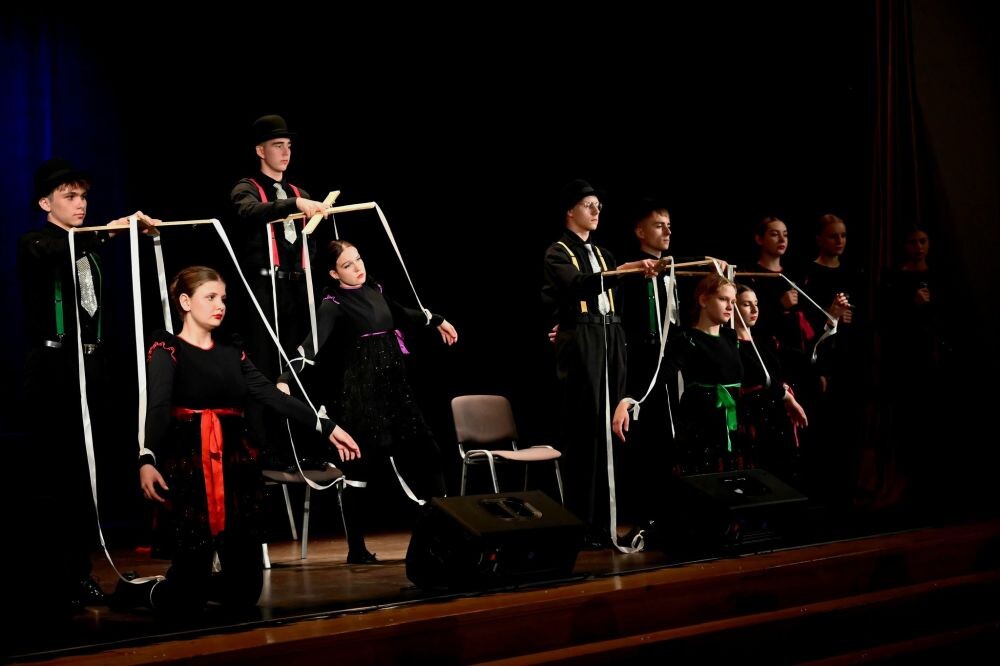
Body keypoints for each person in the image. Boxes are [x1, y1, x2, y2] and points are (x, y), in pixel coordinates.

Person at [115, 266, 359, 613]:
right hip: (191, 469)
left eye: (223, 298)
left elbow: (272, 395)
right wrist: (147, 457)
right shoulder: (168, 348)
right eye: (210, 297)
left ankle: (197, 584)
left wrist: (327, 427)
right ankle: (140, 591)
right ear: (185, 302)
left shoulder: (232, 351)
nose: (220, 305)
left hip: (234, 469)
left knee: (244, 593)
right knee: (185, 601)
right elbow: (158, 407)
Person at [15, 158, 158, 614]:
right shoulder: (36, 242)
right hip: (54, 374)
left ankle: (81, 572)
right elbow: (54, 253)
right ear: (45, 203)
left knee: (88, 475)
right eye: (70, 197)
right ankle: (55, 576)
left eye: (83, 197)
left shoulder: (87, 247)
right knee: (57, 478)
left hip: (91, 370)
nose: (81, 204)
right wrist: (110, 232)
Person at [278, 240, 457, 563]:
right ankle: (357, 549)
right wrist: (285, 379)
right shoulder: (333, 304)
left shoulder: (375, 289)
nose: (358, 267)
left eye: (358, 259)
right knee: (359, 468)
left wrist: (437, 319)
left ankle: (442, 530)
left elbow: (403, 314)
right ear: (334, 273)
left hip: (396, 391)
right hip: (363, 395)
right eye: (347, 265)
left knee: (429, 453)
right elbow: (310, 347)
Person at [543, 179, 662, 548]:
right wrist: (623, 270)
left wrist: (628, 270)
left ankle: (608, 520)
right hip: (584, 339)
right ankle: (583, 523)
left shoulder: (604, 253)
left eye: (598, 205)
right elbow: (578, 285)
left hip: (611, 336)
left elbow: (614, 295)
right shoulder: (558, 252)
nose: (596, 211)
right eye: (588, 204)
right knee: (586, 433)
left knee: (613, 426)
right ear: (570, 211)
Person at [229, 114, 333, 468]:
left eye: (288, 146)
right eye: (277, 145)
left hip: (297, 289)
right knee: (266, 366)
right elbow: (248, 212)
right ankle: (270, 450)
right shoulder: (246, 188)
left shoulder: (300, 193)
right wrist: (294, 206)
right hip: (264, 288)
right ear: (260, 150)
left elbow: (309, 243)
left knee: (300, 364)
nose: (286, 152)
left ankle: (307, 447)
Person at [616, 274, 743, 476]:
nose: (730, 306)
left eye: (733, 302)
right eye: (723, 299)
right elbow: (661, 374)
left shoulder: (730, 337)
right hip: (702, 422)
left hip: (733, 421)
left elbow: (754, 371)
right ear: (703, 300)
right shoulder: (687, 339)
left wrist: (785, 395)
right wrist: (630, 400)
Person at [733, 284, 808, 481]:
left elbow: (797, 360)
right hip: (755, 423)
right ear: (733, 307)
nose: (754, 309)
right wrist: (787, 397)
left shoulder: (763, 342)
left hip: (777, 420)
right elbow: (758, 378)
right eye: (746, 304)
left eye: (756, 304)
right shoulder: (732, 345)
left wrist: (829, 325)